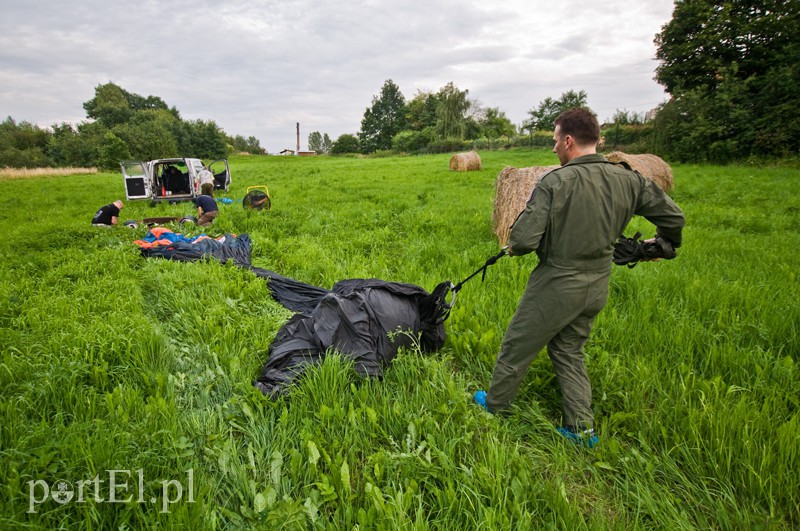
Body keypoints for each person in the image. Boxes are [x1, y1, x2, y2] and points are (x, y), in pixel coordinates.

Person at [473, 108, 685, 447]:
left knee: (517, 344)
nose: (554, 148)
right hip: (597, 283)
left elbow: (524, 242)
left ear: (569, 141)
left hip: (557, 282)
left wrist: (513, 245)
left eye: (555, 141)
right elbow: (673, 216)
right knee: (569, 349)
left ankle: (495, 405)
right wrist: (663, 244)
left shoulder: (555, 182)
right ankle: (581, 430)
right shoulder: (629, 179)